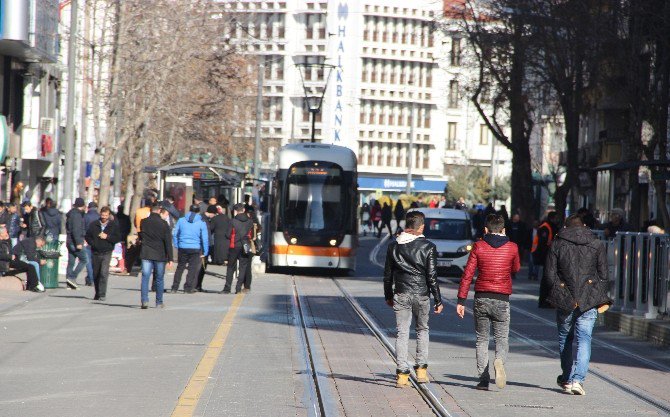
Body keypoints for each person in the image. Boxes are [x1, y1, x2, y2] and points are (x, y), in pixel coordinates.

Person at [542, 214, 610, 395]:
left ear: (565, 227)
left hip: (565, 299)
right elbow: (604, 275)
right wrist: (596, 295)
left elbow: (549, 275)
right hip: (589, 300)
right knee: (584, 339)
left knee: (565, 338)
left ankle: (567, 377)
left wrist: (559, 291)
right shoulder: (596, 244)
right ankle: (578, 380)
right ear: (585, 226)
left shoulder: (557, 243)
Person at [456, 214, 520, 390]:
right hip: (502, 299)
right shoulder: (512, 247)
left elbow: (468, 274)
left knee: (482, 339)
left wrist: (461, 300)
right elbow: (516, 268)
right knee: (501, 338)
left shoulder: (479, 246)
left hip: (481, 298)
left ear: (485, 230)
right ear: (504, 230)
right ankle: (499, 360)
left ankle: (483, 380)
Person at [383, 210, 443, 387]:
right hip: (422, 294)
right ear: (422, 227)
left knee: (402, 333)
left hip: (401, 293)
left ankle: (402, 374)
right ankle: (421, 371)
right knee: (422, 330)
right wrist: (438, 300)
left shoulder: (394, 246)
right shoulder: (428, 247)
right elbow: (432, 275)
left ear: (407, 225)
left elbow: (388, 276)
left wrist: (388, 296)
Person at [139, 202, 173, 309]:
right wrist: (170, 258)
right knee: (159, 278)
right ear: (159, 211)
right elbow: (168, 241)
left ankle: (144, 300)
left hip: (146, 252)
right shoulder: (164, 224)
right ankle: (159, 302)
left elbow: (142, 236)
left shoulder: (143, 222)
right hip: (160, 253)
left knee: (145, 277)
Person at [85, 206, 121, 301]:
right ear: (100, 214)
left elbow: (117, 238)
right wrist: (93, 243)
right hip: (96, 252)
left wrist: (107, 237)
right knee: (96, 274)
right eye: (102, 215)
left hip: (107, 251)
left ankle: (102, 294)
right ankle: (97, 293)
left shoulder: (113, 225)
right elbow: (87, 236)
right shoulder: (94, 224)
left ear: (109, 215)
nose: (104, 217)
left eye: (106, 215)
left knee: (104, 273)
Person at [171, 204, 209, 294]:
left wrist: (177, 244)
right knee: (192, 268)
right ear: (198, 211)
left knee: (180, 267)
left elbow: (175, 233)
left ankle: (174, 287)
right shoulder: (201, 222)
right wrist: (205, 251)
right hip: (195, 248)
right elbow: (205, 238)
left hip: (183, 246)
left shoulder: (181, 220)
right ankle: (187, 288)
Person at [221, 203, 253, 294]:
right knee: (243, 267)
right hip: (245, 246)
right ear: (243, 210)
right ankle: (238, 289)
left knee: (230, 267)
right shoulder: (250, 221)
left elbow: (227, 235)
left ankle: (227, 288)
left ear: (235, 211)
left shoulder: (232, 221)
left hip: (234, 246)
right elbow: (251, 234)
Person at [0, 227, 42, 292]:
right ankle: (33, 286)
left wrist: (8, 240)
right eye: (5, 232)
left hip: (10, 261)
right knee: (30, 266)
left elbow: (11, 251)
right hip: (4, 264)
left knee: (30, 267)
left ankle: (31, 286)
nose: (7, 233)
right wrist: (9, 257)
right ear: (1, 234)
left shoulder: (6, 241)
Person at [533, 211, 560, 307]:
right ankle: (545, 301)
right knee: (547, 279)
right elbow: (543, 243)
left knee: (549, 279)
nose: (557, 220)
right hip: (546, 256)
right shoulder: (546, 227)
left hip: (548, 256)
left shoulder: (550, 227)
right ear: (552, 218)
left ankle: (547, 300)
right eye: (556, 218)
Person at [65, 198, 87, 289]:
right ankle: (72, 278)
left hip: (69, 241)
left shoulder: (71, 214)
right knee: (84, 260)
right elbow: (76, 230)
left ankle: (69, 284)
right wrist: (79, 242)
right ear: (82, 206)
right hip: (75, 242)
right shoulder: (77, 215)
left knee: (71, 262)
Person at [196, 205, 218, 291]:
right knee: (201, 267)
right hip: (202, 247)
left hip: (204, 246)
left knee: (202, 267)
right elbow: (205, 236)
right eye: (214, 214)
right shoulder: (203, 220)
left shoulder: (204, 218)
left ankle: (198, 285)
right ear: (211, 213)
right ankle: (197, 285)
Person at [83, 202, 100, 286]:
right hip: (97, 241)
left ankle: (91, 278)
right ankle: (93, 278)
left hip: (87, 241)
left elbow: (82, 228)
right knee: (95, 261)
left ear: (88, 208)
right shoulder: (100, 217)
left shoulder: (85, 216)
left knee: (88, 261)